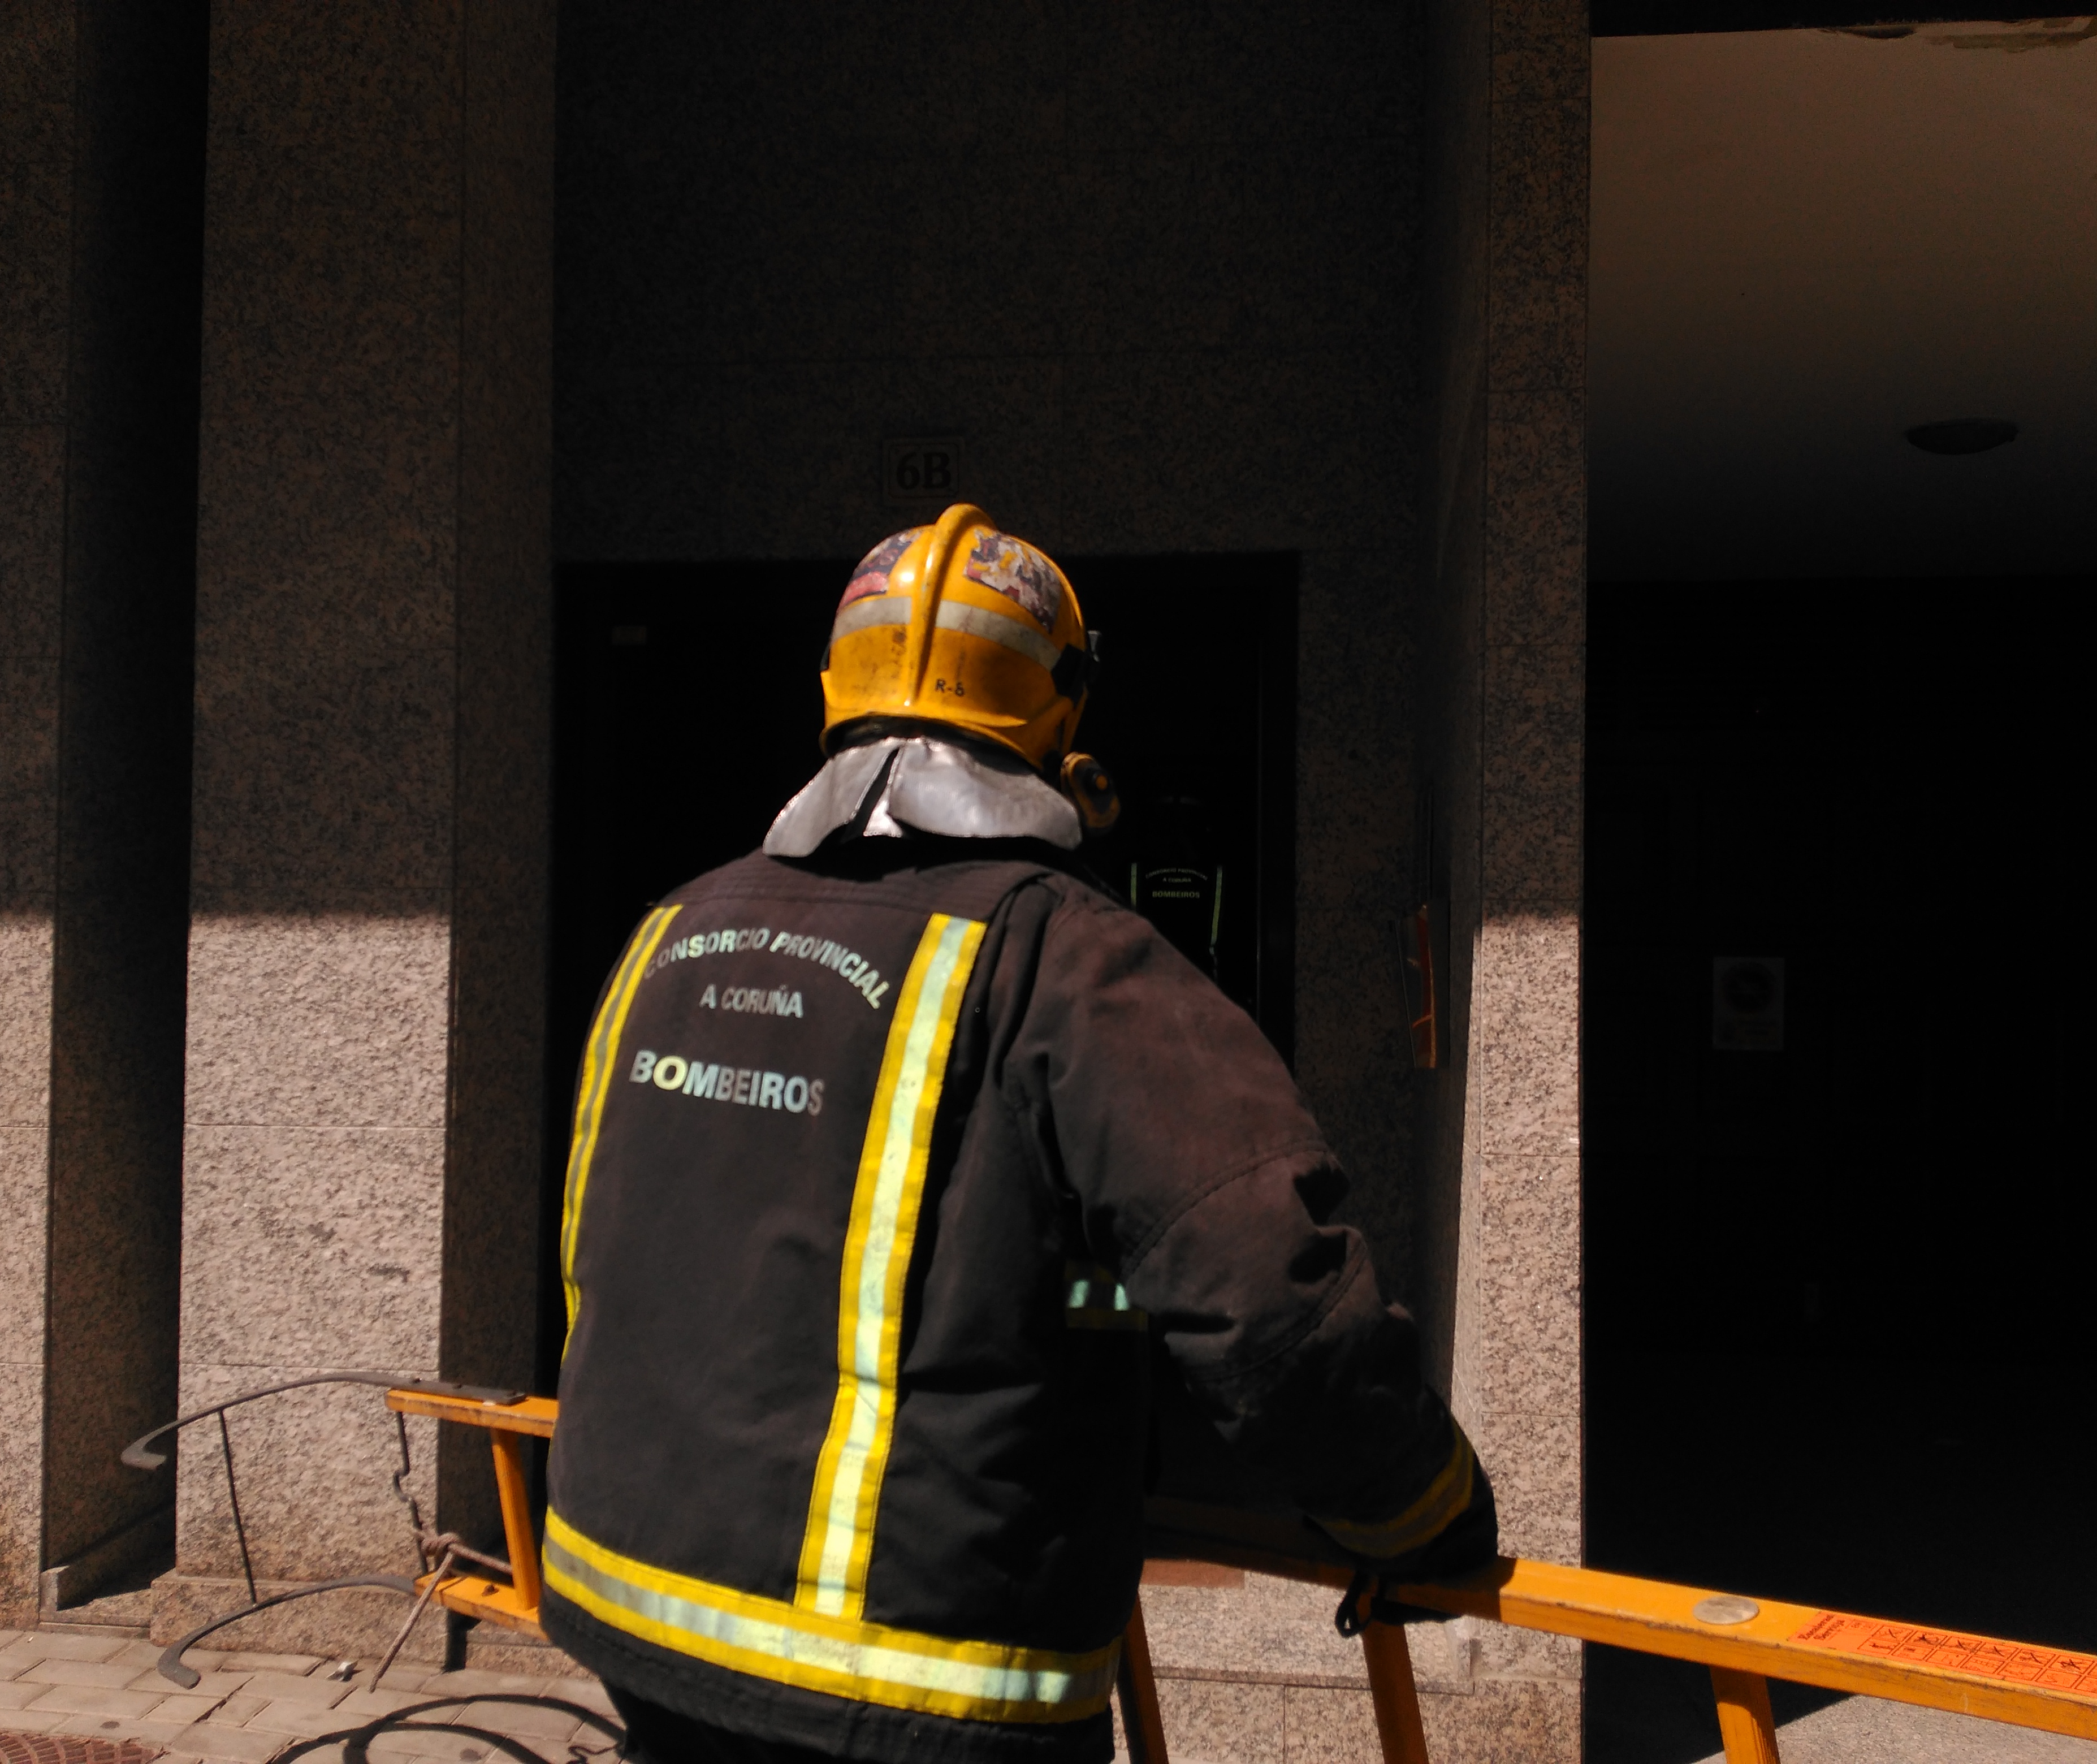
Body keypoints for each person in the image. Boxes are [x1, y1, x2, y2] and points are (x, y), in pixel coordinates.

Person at [541, 506, 1495, 1764]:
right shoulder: (1071, 959)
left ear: (833, 689)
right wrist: (1423, 1519)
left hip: (631, 1620)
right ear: (1062, 714)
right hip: (916, 1685)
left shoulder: (671, 932)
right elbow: (1274, 1308)